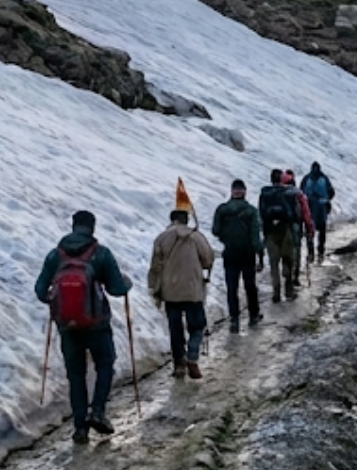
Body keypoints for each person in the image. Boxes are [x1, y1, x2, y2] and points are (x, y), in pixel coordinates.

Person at [35, 210, 132, 444]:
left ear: (73, 225)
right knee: (105, 365)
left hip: (67, 327)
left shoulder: (55, 255)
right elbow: (117, 289)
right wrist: (126, 283)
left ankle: (80, 428)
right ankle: (98, 411)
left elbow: (40, 290)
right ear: (92, 227)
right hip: (96, 324)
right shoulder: (101, 254)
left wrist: (56, 301)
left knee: (76, 375)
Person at [148, 189, 214, 380]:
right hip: (193, 290)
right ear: (186, 220)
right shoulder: (195, 236)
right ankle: (193, 357)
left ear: (171, 220)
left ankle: (179, 364)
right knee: (197, 325)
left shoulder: (161, 238)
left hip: (170, 292)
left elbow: (155, 266)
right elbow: (208, 259)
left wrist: (154, 289)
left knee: (175, 328)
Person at [210, 180, 263, 334]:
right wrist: (259, 252)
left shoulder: (222, 210)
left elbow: (215, 230)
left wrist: (226, 238)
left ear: (232, 191)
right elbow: (255, 236)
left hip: (230, 253)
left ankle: (234, 319)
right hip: (247, 254)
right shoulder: (251, 211)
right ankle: (253, 315)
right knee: (250, 286)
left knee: (232, 287)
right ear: (244, 191)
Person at [258, 171, 300, 304]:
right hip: (285, 230)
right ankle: (289, 290)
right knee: (288, 260)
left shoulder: (264, 194)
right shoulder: (288, 193)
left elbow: (261, 214)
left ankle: (276, 292)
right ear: (281, 179)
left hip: (270, 232)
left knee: (273, 263)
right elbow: (295, 213)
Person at [300, 162, 334, 262]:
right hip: (322, 207)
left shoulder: (307, 178)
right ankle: (321, 251)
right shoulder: (324, 178)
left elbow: (301, 192)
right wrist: (327, 200)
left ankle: (311, 253)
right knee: (322, 231)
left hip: (309, 207)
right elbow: (331, 192)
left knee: (310, 230)